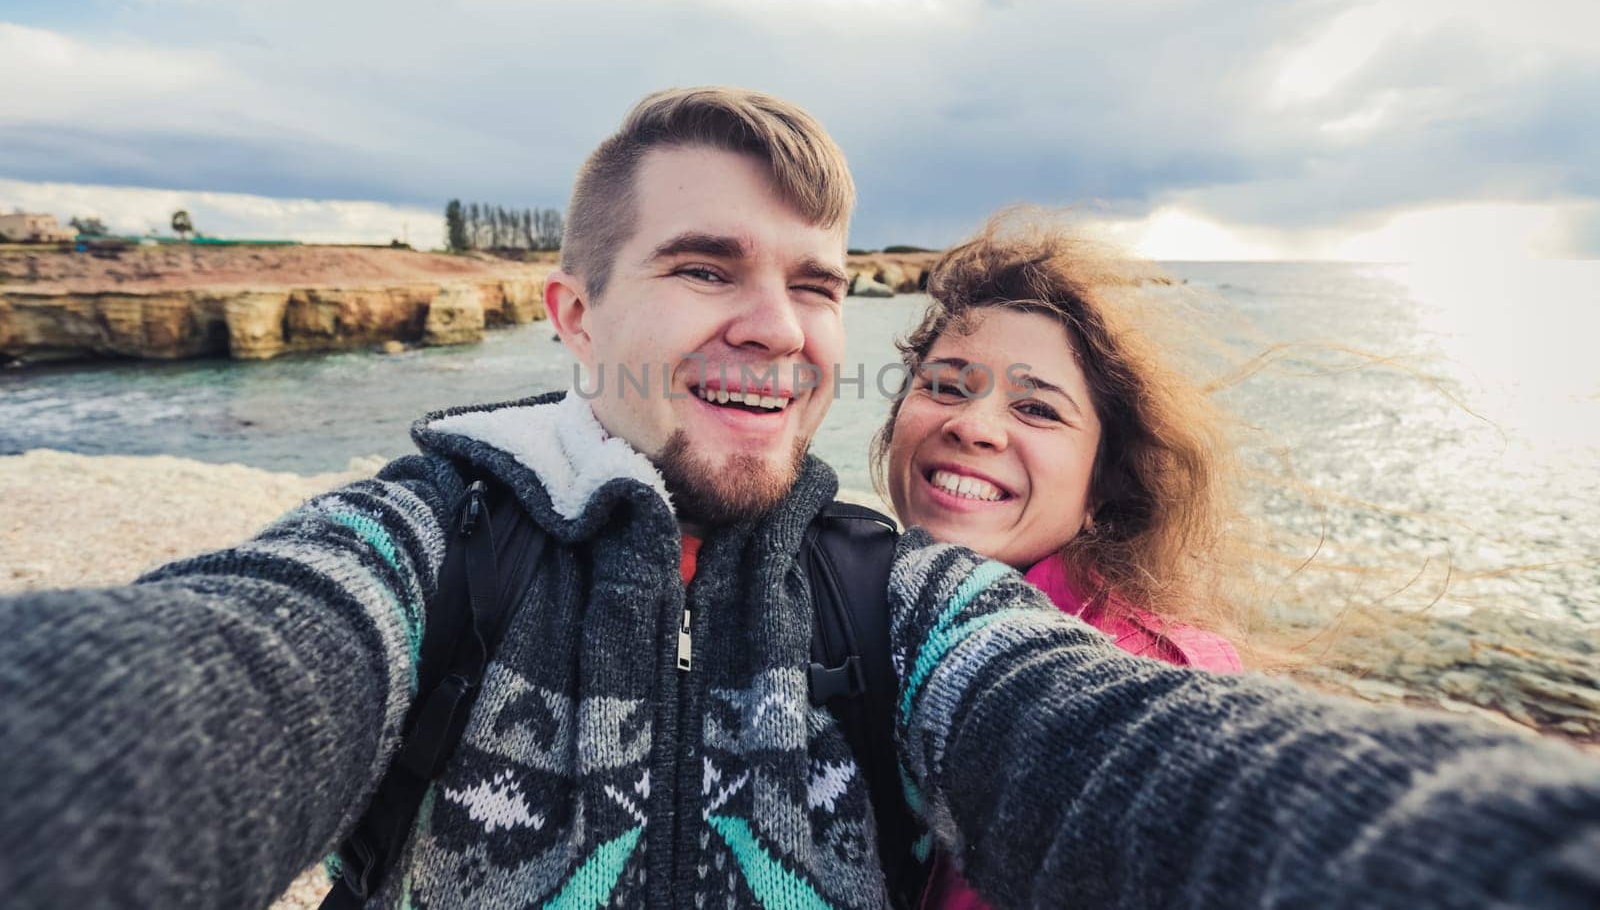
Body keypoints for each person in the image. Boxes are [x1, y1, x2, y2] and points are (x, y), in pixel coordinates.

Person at [1, 87, 1598, 910]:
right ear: (569, 314)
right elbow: (241, 659)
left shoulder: (894, 596)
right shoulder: (433, 536)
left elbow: (1120, 748)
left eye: (819, 284)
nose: (780, 326)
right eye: (706, 267)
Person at [874, 214, 1244, 910]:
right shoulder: (850, 612)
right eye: (947, 386)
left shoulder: (1148, 683)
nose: (973, 425)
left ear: (1104, 483)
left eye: (1037, 409)